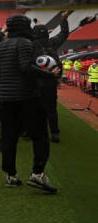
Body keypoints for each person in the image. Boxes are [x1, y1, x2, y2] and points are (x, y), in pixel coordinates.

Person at [0, 14, 58, 193]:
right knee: (40, 136)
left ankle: (11, 176)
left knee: (9, 138)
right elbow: (25, 67)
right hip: (26, 98)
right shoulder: (24, 43)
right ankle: (37, 174)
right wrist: (49, 74)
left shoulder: (1, 46)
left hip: (5, 99)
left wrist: (1, 93)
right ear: (24, 27)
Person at [32, 11, 70, 143]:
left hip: (35, 83)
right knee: (52, 109)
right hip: (50, 83)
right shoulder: (52, 43)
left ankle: (32, 132)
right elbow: (64, 34)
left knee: (35, 108)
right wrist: (63, 20)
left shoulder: (30, 45)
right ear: (46, 33)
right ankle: (54, 133)